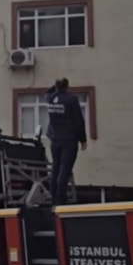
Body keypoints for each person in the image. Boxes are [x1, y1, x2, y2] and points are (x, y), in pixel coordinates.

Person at [45, 77, 87, 207]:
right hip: (68, 140)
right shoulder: (71, 100)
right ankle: (60, 199)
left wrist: (55, 87)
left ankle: (54, 198)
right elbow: (78, 120)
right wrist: (83, 139)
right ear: (67, 86)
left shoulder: (50, 98)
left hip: (55, 140)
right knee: (65, 169)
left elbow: (48, 91)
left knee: (56, 169)